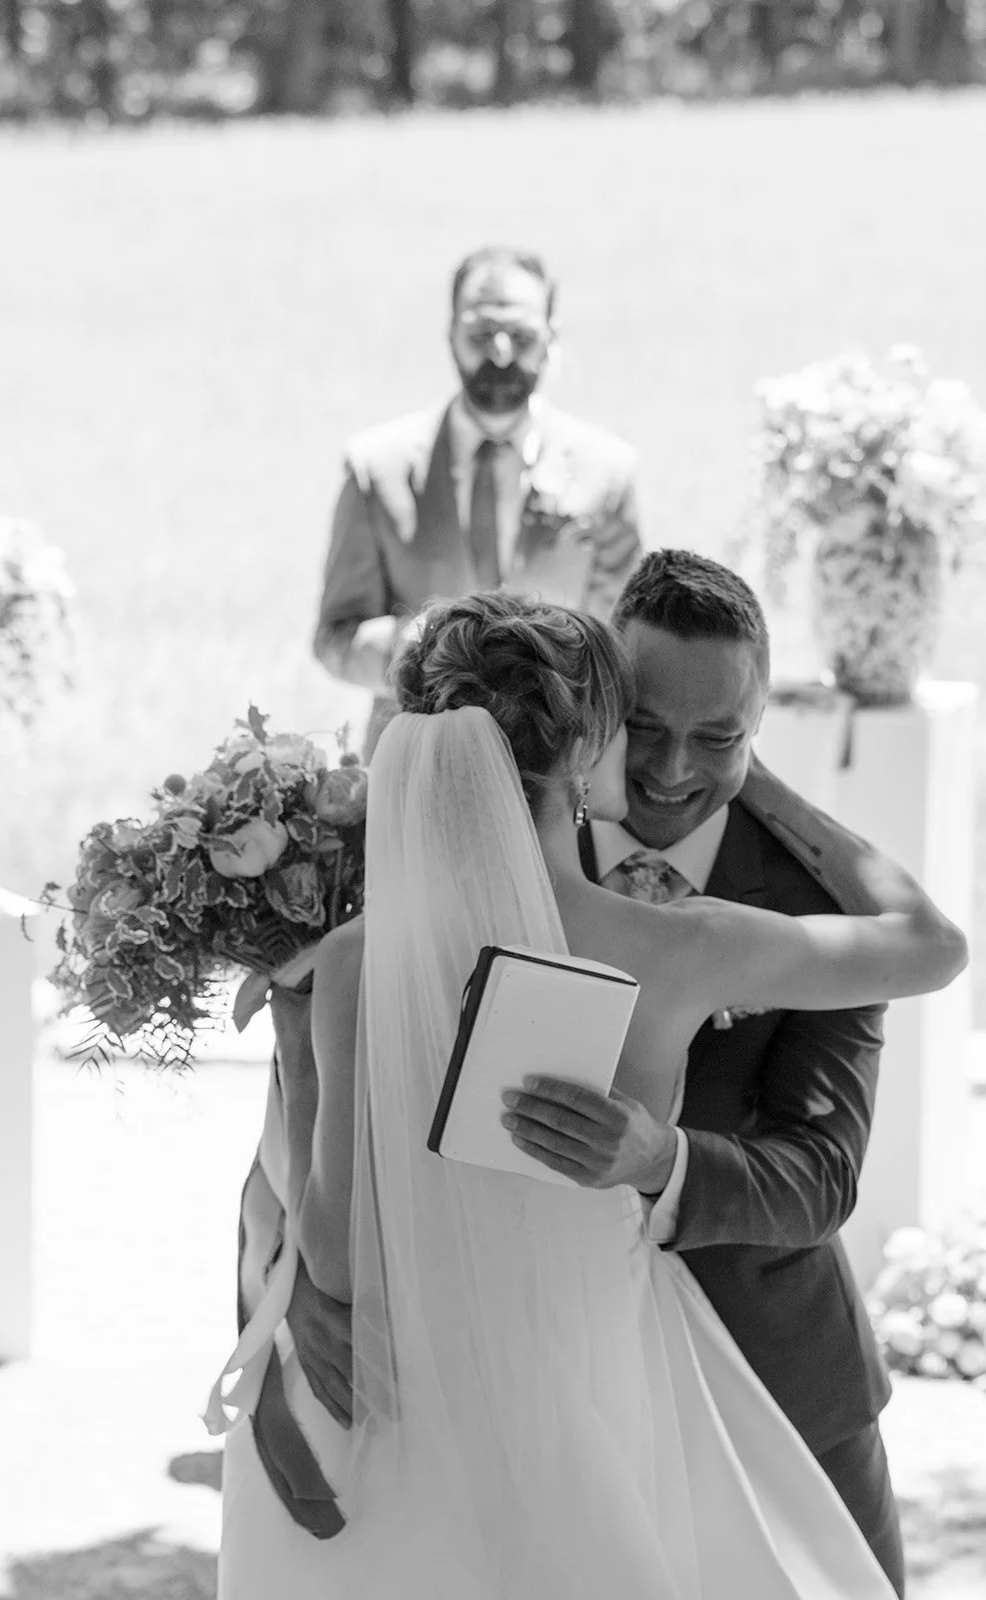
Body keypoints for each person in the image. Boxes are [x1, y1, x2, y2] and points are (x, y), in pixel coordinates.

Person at [211, 592, 966, 1599]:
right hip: (603, 1395)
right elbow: (930, 946)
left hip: (415, 1419)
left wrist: (301, 1048)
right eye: (634, 728)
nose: (664, 765)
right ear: (585, 752)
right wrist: (755, 775)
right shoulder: (684, 946)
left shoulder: (353, 958)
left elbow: (337, 1266)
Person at [535, 548, 903, 1591]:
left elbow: (822, 1171)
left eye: (717, 737)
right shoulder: (513, 847)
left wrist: (663, 1158)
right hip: (561, 1395)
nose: (668, 770)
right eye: (644, 726)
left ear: (758, 728)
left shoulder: (819, 908)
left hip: (778, 1378)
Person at [311, 245, 643, 760]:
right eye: (481, 334)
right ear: (450, 335)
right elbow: (334, 637)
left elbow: (619, 651)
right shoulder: (377, 469)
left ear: (552, 337)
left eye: (522, 335)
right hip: (411, 763)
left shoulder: (609, 474)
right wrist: (409, 648)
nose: (502, 353)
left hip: (553, 765)